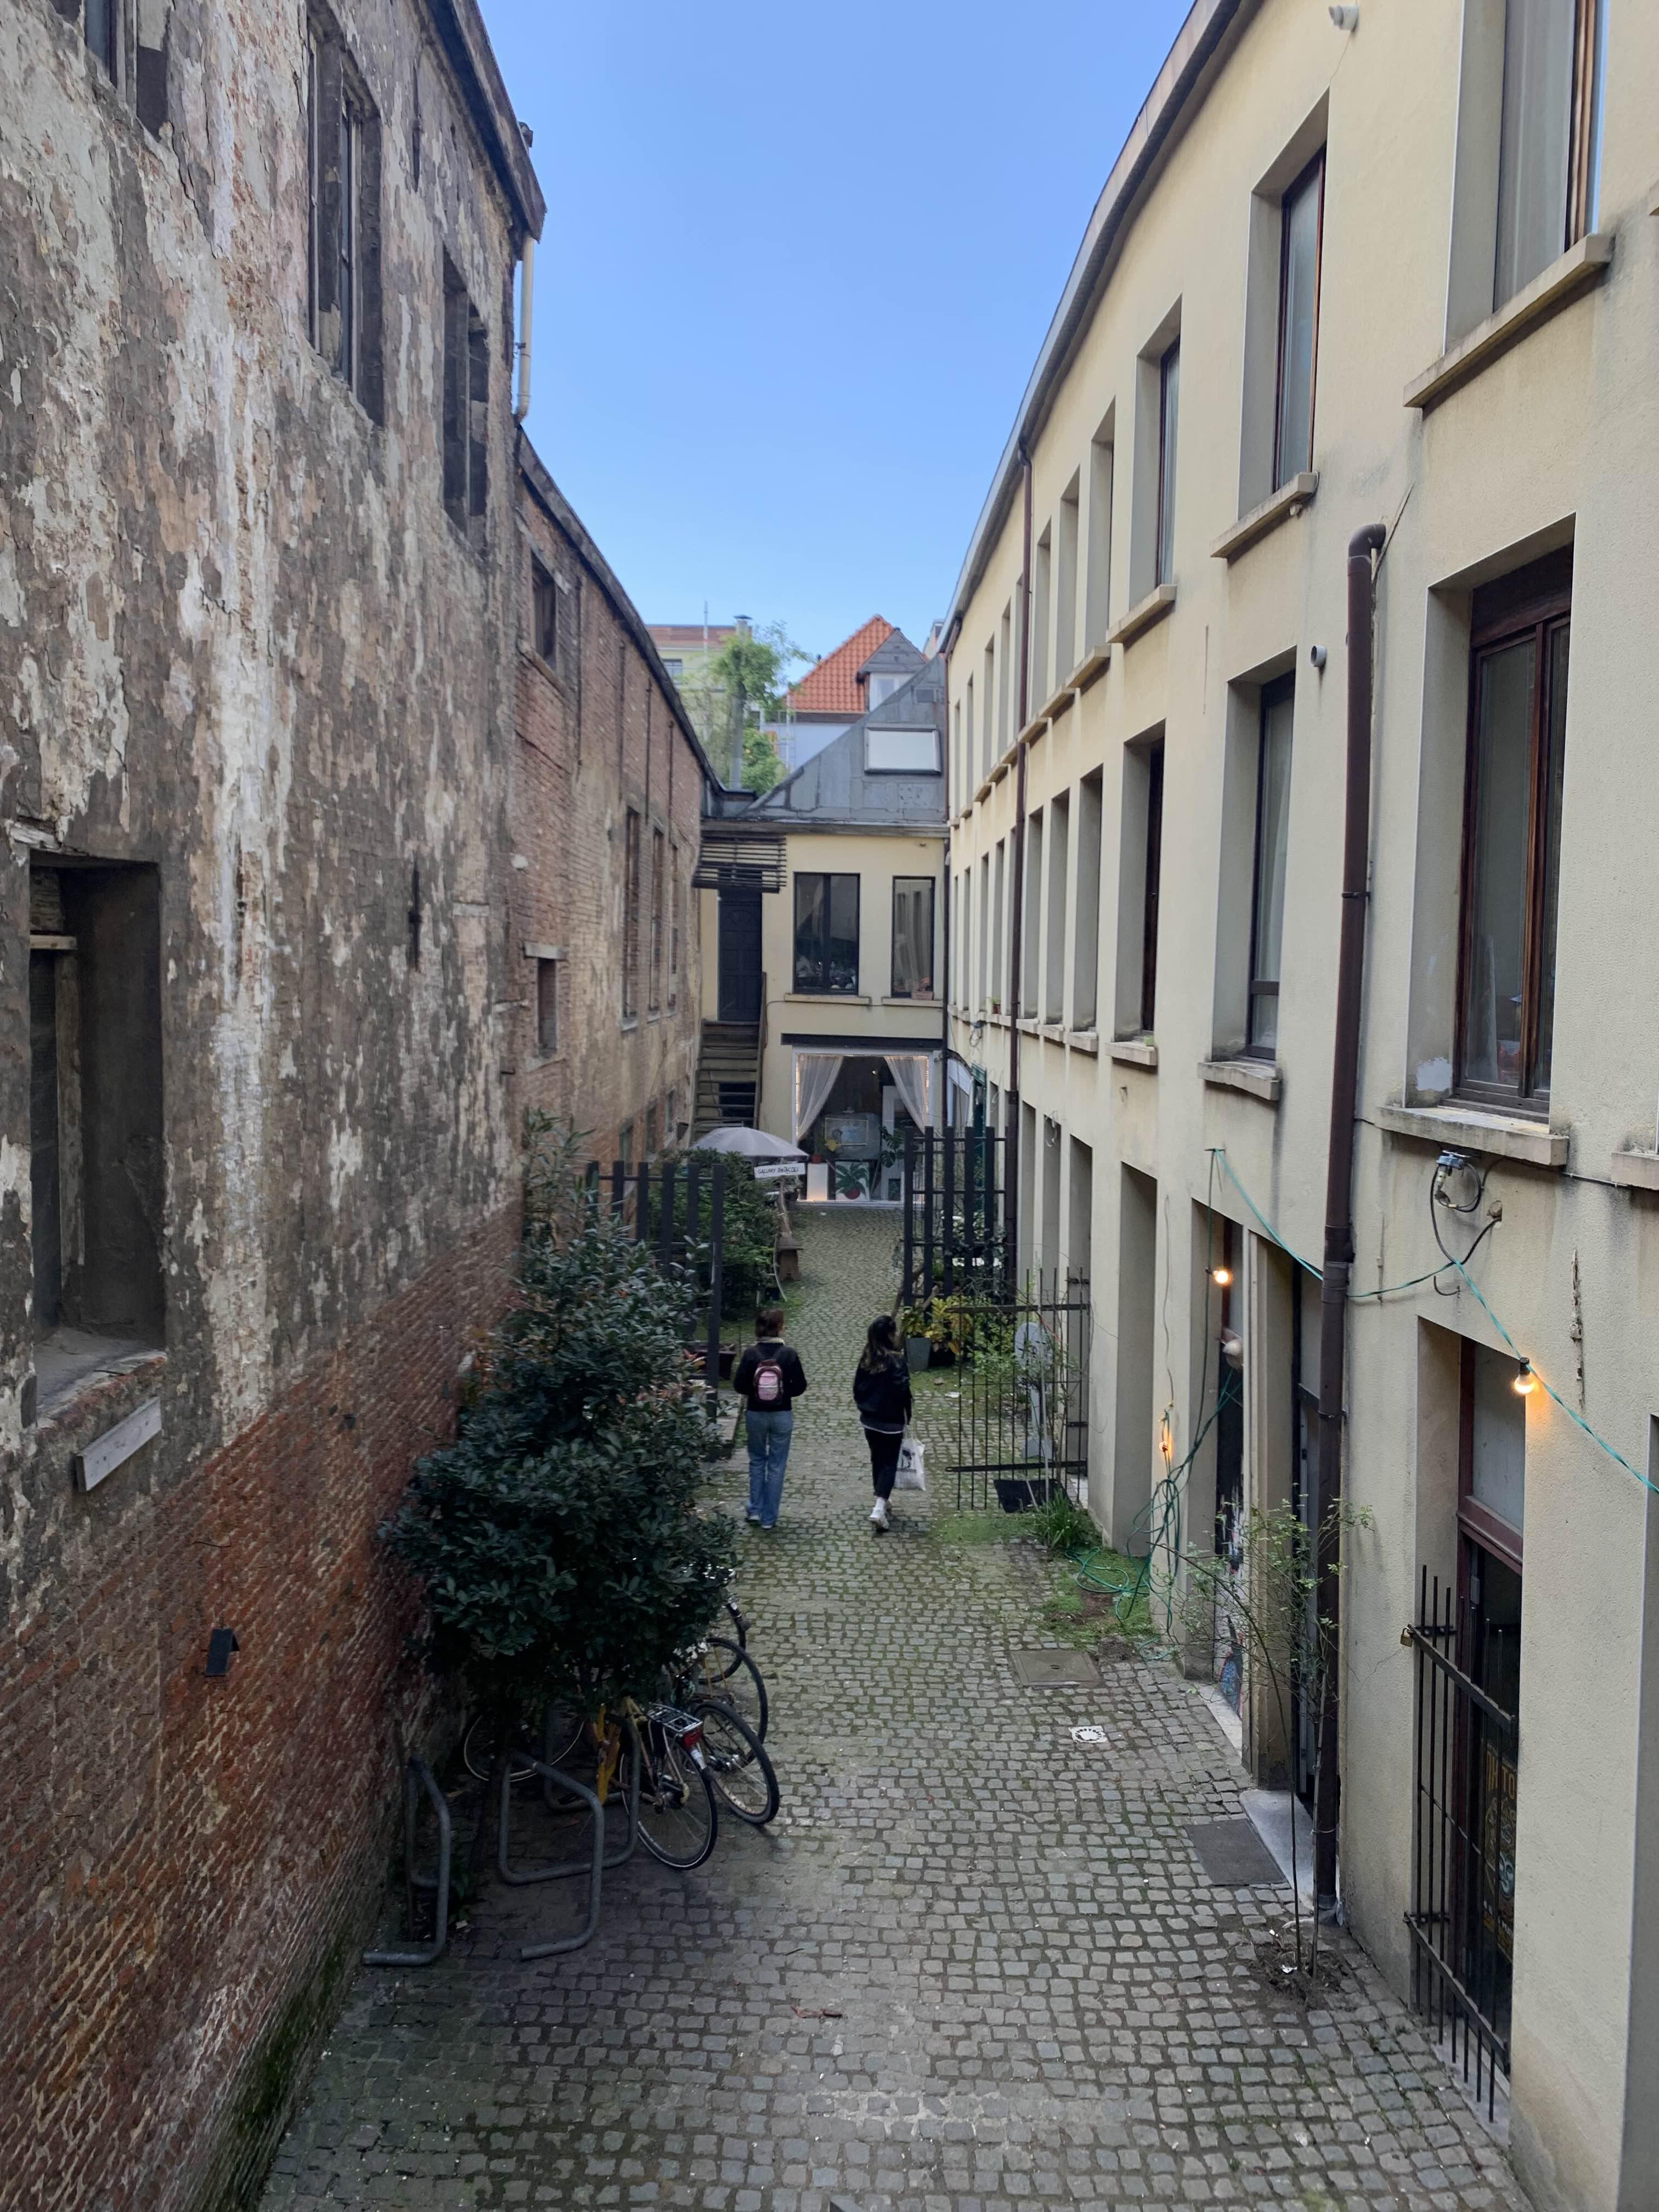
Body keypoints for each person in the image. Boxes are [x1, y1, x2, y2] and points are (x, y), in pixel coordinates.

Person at [730, 1304, 807, 1530]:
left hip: (756, 1414)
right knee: (776, 1465)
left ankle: (755, 1509)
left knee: (757, 1460)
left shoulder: (751, 1354)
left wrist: (757, 1392)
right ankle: (769, 1518)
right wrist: (783, 1392)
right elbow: (801, 1386)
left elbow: (739, 1386)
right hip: (782, 1415)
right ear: (780, 1328)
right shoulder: (789, 1354)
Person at [853, 1313, 911, 1533]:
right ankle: (879, 1508)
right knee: (889, 1463)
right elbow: (902, 1389)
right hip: (891, 1421)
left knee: (877, 1458)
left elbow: (857, 1388)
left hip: (870, 1420)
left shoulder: (867, 1358)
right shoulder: (897, 1360)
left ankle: (882, 1498)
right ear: (889, 1335)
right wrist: (905, 1413)